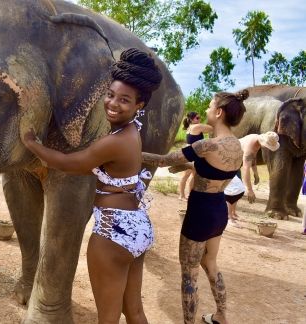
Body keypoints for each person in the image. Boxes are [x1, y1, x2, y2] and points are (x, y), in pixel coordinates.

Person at [22, 48, 162, 323]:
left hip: (113, 232)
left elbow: (67, 163)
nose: (112, 103)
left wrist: (32, 144)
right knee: (134, 311)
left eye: (124, 100)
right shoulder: (131, 133)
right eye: (110, 95)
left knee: (107, 318)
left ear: (139, 105)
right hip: (136, 226)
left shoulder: (114, 141)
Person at [143, 90, 248, 324]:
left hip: (199, 212)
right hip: (218, 210)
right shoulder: (237, 147)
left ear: (219, 112)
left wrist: (129, 151)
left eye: (211, 106)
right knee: (210, 264)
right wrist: (192, 167)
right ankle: (221, 315)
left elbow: (164, 160)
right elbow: (219, 175)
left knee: (189, 275)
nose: (208, 110)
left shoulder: (207, 145)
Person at [178, 112, 213, 201]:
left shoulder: (190, 127)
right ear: (191, 119)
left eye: (199, 118)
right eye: (197, 118)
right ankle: (183, 196)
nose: (199, 119)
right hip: (193, 153)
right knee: (188, 175)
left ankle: (187, 195)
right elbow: (211, 128)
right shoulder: (197, 127)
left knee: (192, 176)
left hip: (191, 152)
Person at [238, 132, 280, 204]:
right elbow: (246, 168)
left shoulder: (256, 140)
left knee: (235, 189)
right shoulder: (250, 146)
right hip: (229, 160)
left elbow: (253, 158)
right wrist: (250, 190)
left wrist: (256, 174)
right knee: (235, 189)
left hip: (236, 163)